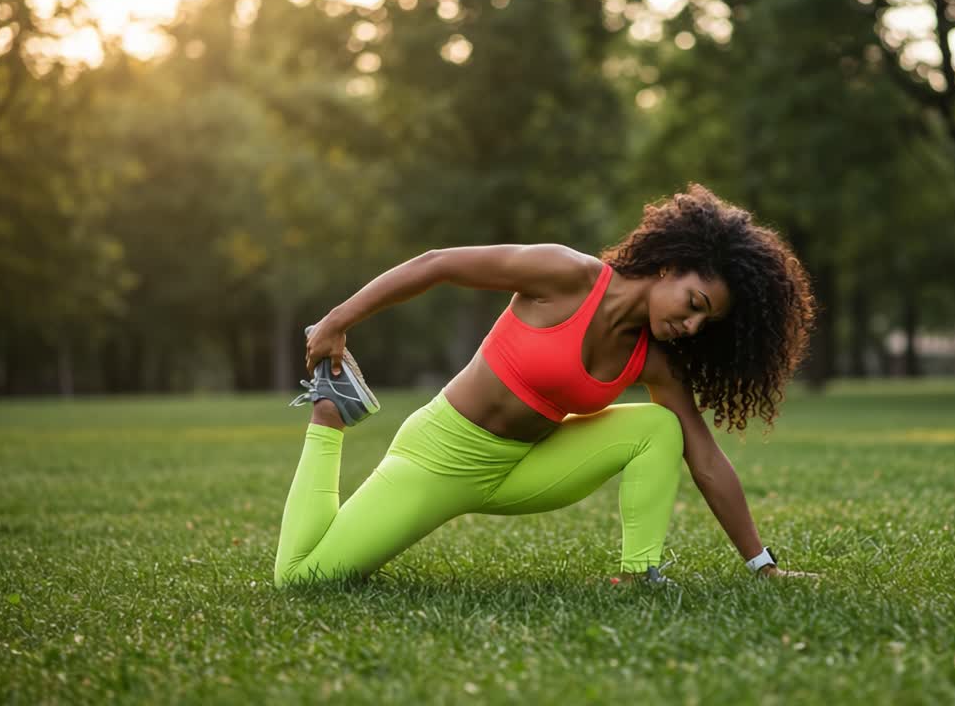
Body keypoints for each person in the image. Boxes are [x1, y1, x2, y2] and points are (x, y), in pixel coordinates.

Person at [275, 184, 818, 587]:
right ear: (669, 266)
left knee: (661, 425)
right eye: (694, 304)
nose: (693, 325)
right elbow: (437, 265)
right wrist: (337, 321)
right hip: (441, 457)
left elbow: (704, 456)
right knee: (304, 579)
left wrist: (762, 565)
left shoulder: (653, 358)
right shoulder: (564, 275)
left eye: (707, 323)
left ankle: (638, 576)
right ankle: (329, 413)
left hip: (526, 467)